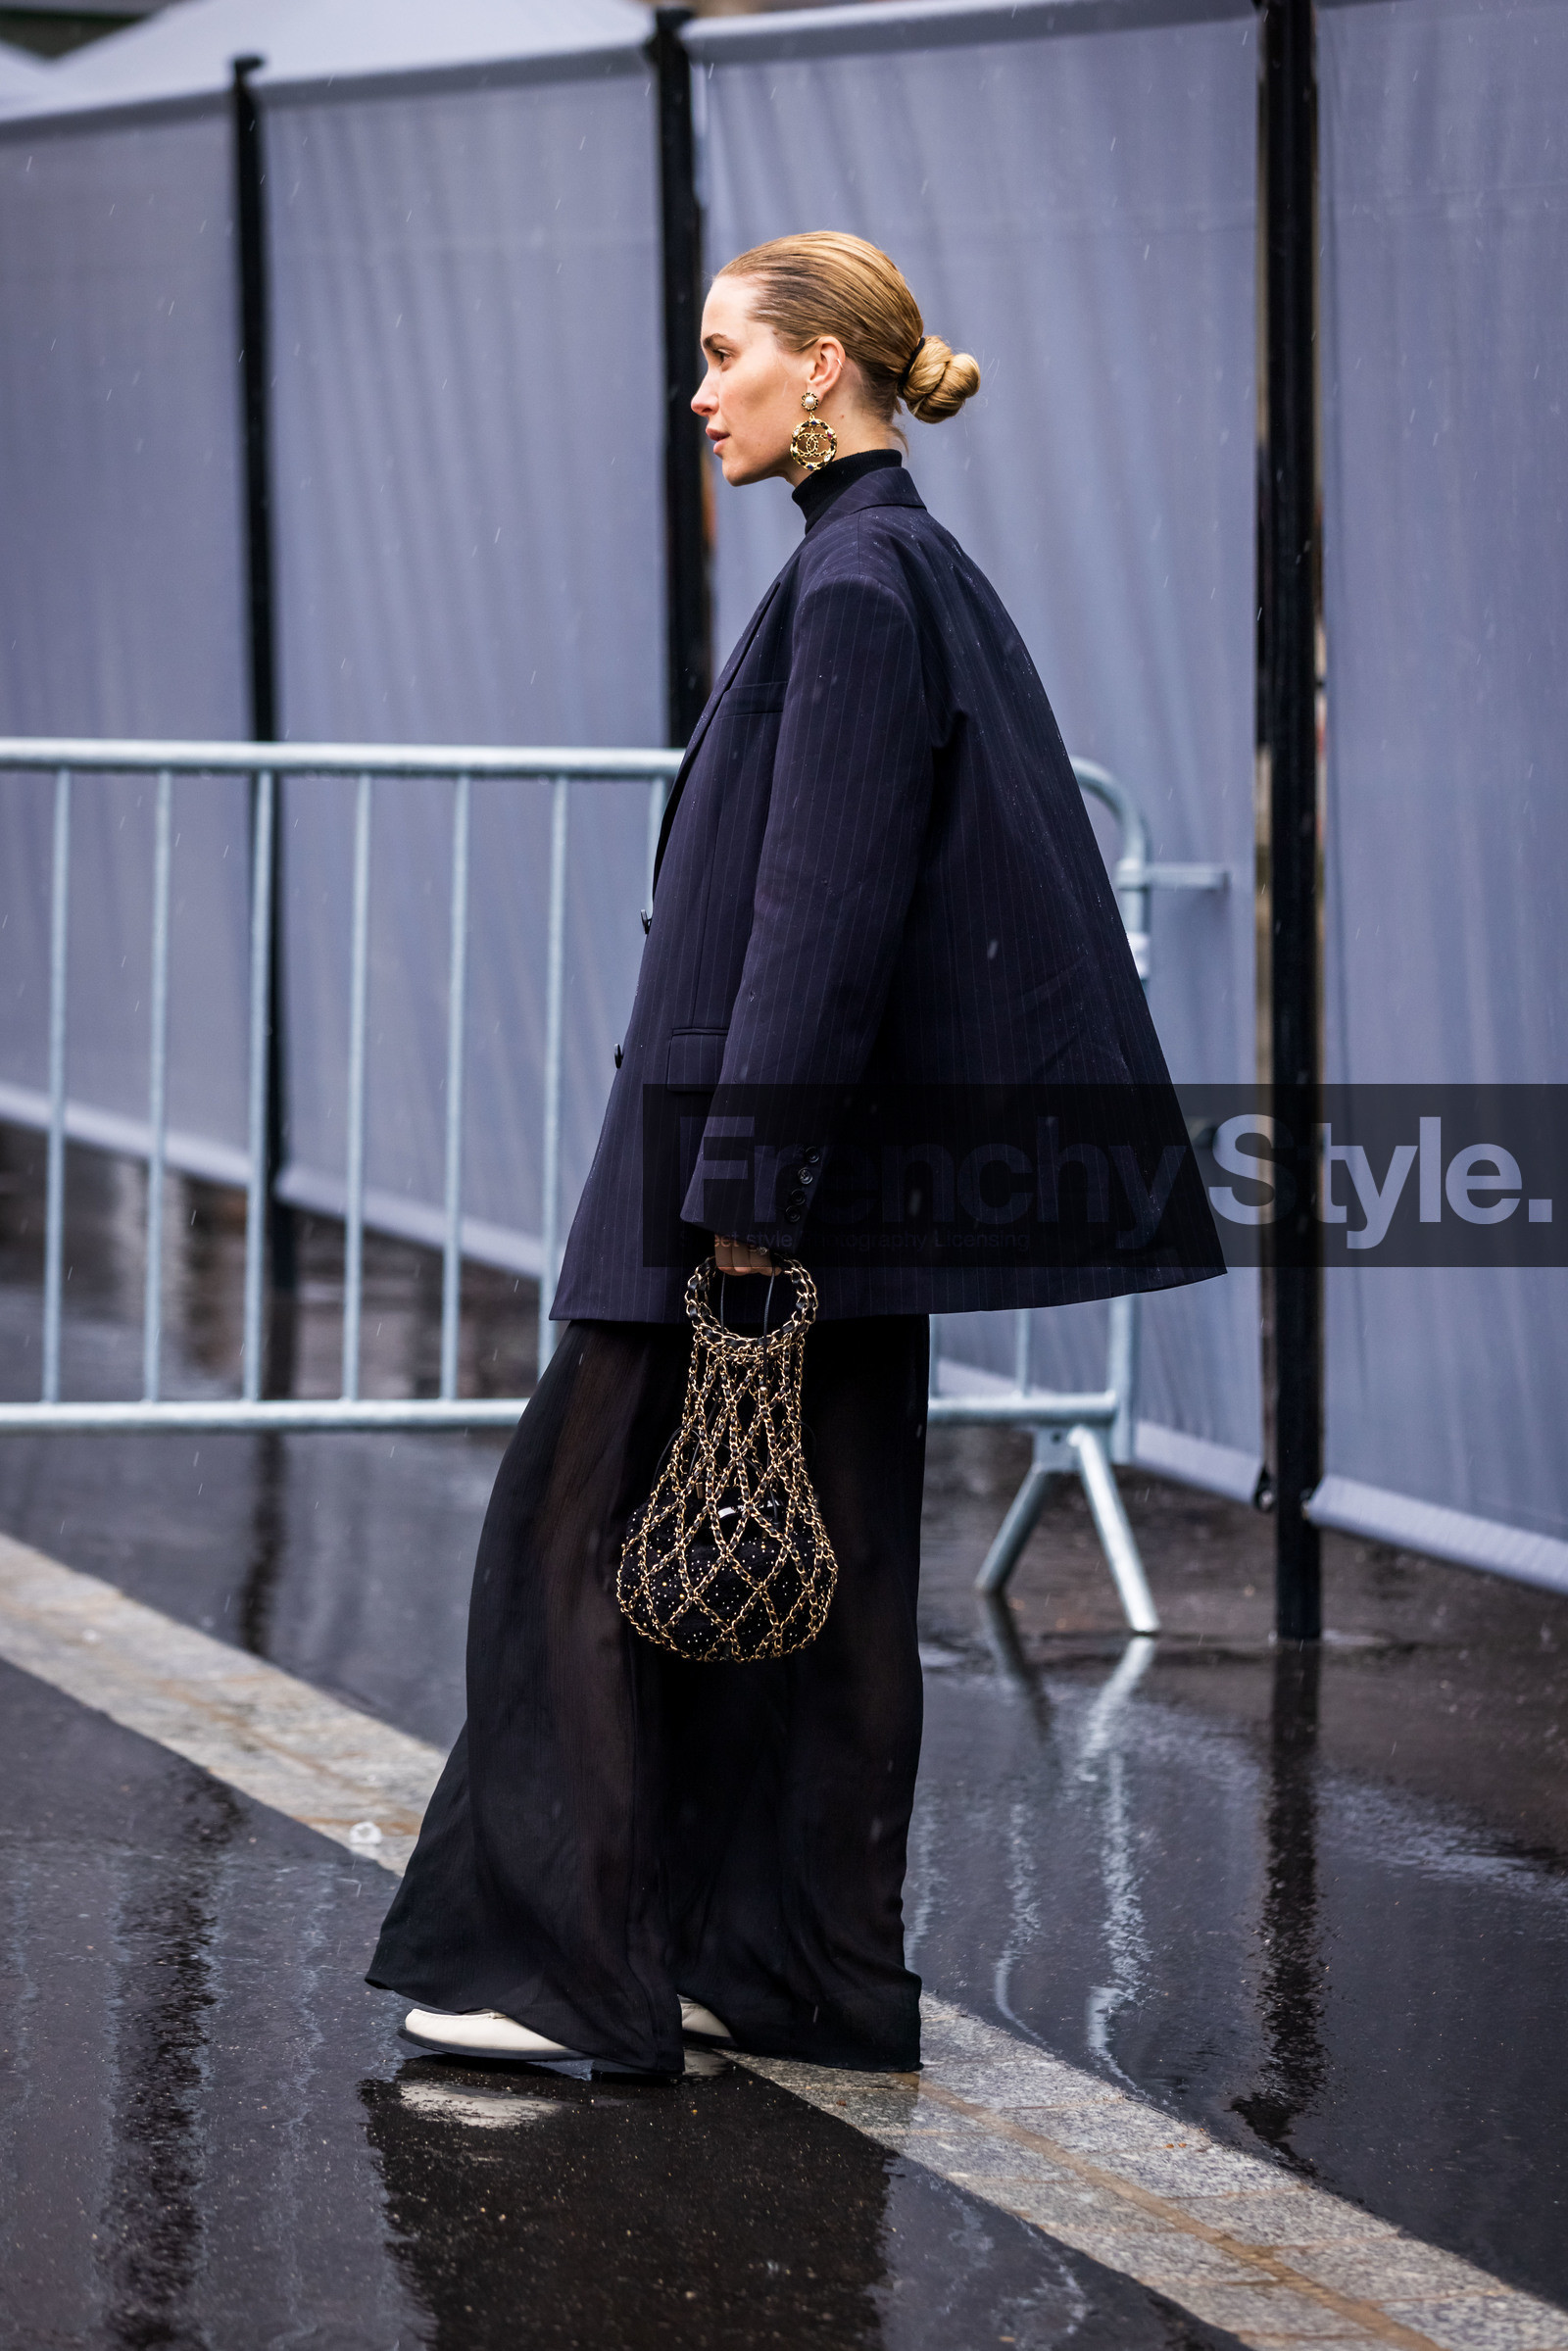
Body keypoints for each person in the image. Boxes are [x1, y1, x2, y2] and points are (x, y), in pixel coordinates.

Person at [368, 232, 1220, 2078]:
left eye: (724, 353)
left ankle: (567, 1980)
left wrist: (743, 1204)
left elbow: (821, 917)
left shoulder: (855, 584)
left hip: (736, 1181)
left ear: (821, 365)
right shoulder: (899, 565)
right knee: (822, 1577)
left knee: (570, 1552)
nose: (701, 394)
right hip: (814, 1184)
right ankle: (795, 1972)